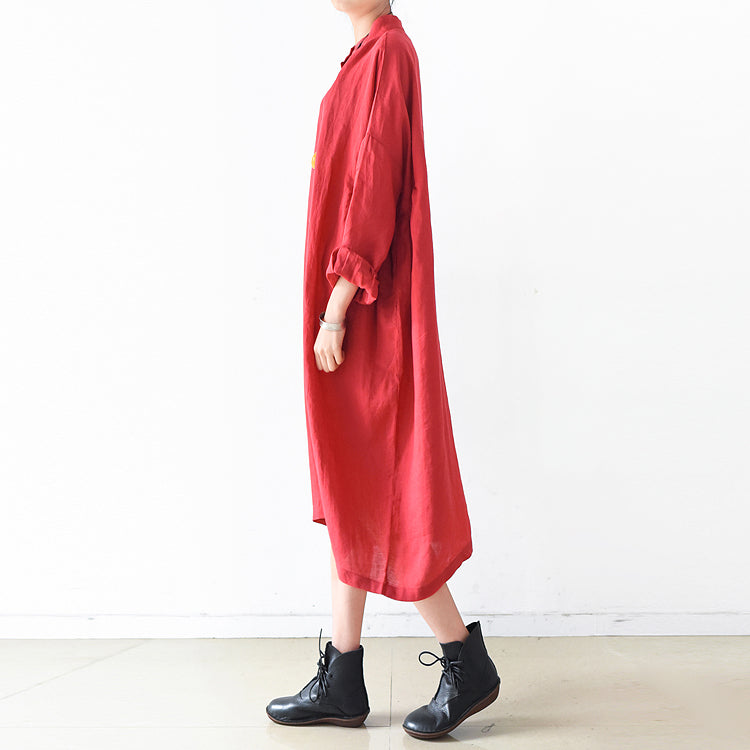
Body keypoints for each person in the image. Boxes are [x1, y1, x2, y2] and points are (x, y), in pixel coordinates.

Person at [266, 1, 500, 739]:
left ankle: (465, 659)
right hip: (353, 297)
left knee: (379, 484)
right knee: (350, 479)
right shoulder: (364, 57)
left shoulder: (390, 54)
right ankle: (344, 673)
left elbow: (372, 182)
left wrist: (338, 306)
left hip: (369, 305)